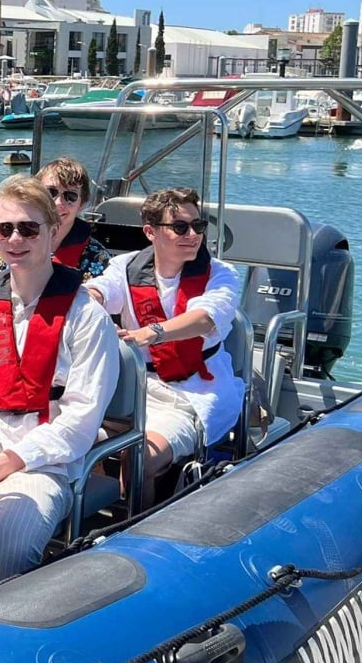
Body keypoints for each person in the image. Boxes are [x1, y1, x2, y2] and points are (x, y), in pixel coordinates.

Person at [0, 176, 119, 584]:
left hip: (38, 465)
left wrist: (6, 462)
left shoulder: (86, 317)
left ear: (53, 229)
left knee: (12, 541)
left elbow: (80, 422)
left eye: (28, 228)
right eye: (5, 229)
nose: (15, 239)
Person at [86, 187, 245, 506]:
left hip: (191, 394)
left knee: (140, 459)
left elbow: (204, 319)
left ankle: (136, 526)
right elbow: (99, 291)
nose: (193, 235)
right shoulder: (125, 267)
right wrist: (91, 307)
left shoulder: (221, 275)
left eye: (198, 226)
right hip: (132, 388)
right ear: (150, 232)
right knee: (69, 440)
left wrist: (151, 332)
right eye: (180, 227)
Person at [0, 157, 110, 280]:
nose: (58, 203)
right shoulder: (5, 249)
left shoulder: (97, 258)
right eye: (50, 193)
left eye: (70, 196)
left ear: (81, 204)